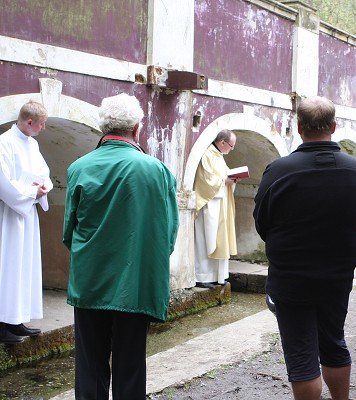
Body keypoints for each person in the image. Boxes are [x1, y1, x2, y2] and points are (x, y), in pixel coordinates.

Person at [253, 96, 356, 400]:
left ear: (299, 127)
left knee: (301, 355)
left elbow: (262, 224)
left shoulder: (279, 171)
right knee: (333, 343)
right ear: (333, 127)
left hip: (291, 277)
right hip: (337, 275)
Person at [63, 93, 179, 399]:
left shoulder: (79, 168)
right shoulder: (157, 171)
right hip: (134, 282)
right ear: (137, 128)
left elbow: (68, 232)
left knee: (89, 365)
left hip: (90, 281)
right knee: (130, 365)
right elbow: (168, 234)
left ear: (103, 127)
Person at [0, 100, 52, 344]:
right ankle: (2, 324)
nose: (43, 129)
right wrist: (32, 193)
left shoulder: (32, 144)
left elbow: (44, 173)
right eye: (41, 124)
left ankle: (15, 319)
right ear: (29, 122)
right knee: (8, 266)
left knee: (23, 266)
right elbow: (4, 183)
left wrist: (44, 187)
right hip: (9, 215)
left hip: (27, 213)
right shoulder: (4, 143)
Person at [193, 130, 238, 288]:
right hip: (209, 206)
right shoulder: (208, 155)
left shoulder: (219, 156)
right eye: (231, 146)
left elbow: (224, 177)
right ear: (222, 142)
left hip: (220, 204)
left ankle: (219, 276)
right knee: (207, 240)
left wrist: (232, 179)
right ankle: (203, 277)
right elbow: (205, 181)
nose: (231, 149)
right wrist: (224, 181)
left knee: (219, 241)